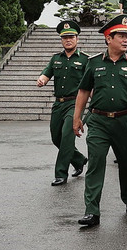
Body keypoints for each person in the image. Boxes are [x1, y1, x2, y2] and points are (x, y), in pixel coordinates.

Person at [73, 14, 127, 227]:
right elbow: (84, 90)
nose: (126, 40)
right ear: (109, 38)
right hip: (98, 120)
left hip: (125, 120)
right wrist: (77, 118)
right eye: (122, 36)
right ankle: (92, 211)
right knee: (96, 163)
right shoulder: (94, 62)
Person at [37, 20, 90, 186]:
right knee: (56, 138)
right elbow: (46, 74)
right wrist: (42, 80)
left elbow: (91, 83)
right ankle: (79, 159)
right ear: (61, 40)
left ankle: (61, 174)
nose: (68, 40)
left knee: (67, 136)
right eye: (65, 37)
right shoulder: (56, 59)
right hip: (58, 103)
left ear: (77, 39)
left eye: (71, 37)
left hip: (75, 103)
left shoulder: (85, 60)